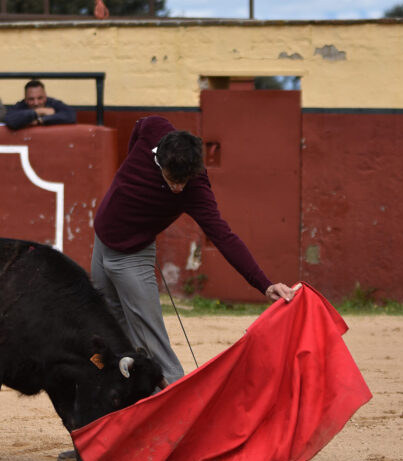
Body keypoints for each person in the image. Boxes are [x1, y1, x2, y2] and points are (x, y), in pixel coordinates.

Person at [92, 115, 295, 385]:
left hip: (133, 256)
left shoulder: (195, 188)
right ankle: (129, 393)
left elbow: (224, 237)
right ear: (159, 160)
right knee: (107, 322)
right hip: (101, 244)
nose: (177, 187)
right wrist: (128, 167)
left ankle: (174, 391)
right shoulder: (154, 129)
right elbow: (141, 124)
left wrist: (264, 284)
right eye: (172, 179)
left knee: (151, 337)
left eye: (183, 181)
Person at [4, 79, 76, 129]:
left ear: (45, 97)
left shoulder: (53, 103)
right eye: (31, 99)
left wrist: (41, 120)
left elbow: (71, 115)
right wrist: (38, 112)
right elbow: (10, 120)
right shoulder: (21, 105)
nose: (36, 103)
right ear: (25, 99)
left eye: (40, 98)